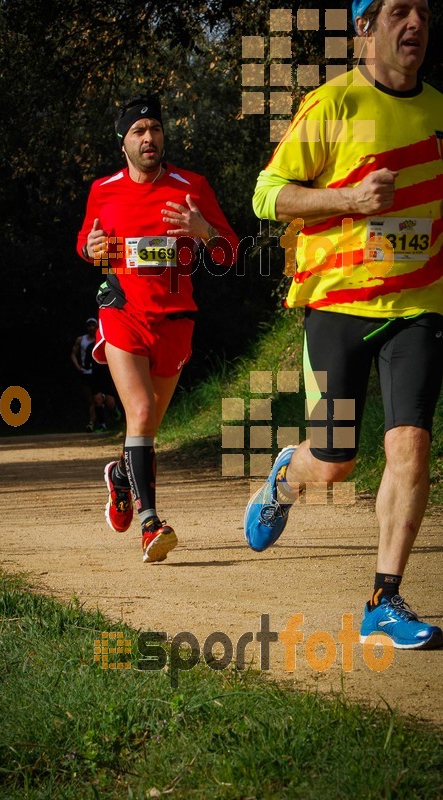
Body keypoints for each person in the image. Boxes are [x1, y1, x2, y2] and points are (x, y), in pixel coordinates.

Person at [245, 0, 443, 649]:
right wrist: (348, 200)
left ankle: (382, 600)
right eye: (394, 11)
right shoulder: (333, 105)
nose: (411, 22)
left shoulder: (438, 110)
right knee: (332, 463)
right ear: (363, 26)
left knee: (408, 446)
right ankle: (285, 475)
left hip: (416, 308)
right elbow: (267, 193)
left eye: (420, 10)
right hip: (336, 307)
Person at [77, 93, 238, 563]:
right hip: (122, 311)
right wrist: (91, 246)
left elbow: (228, 254)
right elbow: (87, 245)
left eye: (155, 129)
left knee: (145, 425)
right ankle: (151, 525)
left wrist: (201, 228)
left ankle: (123, 478)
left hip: (175, 320)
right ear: (123, 141)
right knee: (142, 411)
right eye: (138, 131)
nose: (149, 138)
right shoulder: (103, 190)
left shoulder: (192, 186)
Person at [70, 317, 121, 433]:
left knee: (109, 401)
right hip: (89, 374)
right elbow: (74, 354)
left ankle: (112, 412)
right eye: (89, 325)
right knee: (95, 400)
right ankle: (99, 424)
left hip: (105, 372)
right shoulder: (82, 341)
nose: (91, 328)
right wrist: (79, 367)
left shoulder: (104, 339)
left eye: (94, 325)